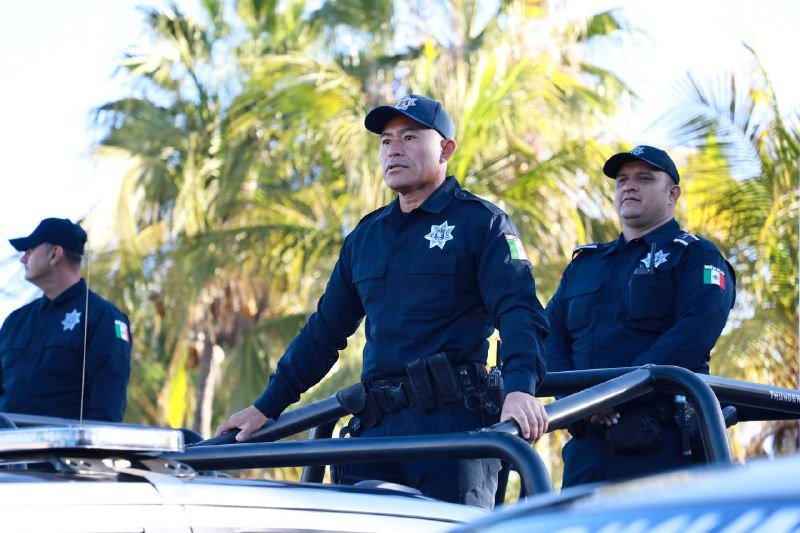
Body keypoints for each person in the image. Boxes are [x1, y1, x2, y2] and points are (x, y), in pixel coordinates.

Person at [217, 94, 550, 508]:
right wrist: (266, 407)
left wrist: (520, 389)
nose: (394, 149)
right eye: (386, 141)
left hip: (452, 430)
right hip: (375, 430)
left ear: (446, 149)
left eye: (409, 137)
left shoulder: (481, 223)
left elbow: (519, 311)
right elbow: (324, 333)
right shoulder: (367, 236)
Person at [545, 145, 736, 487]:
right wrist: (578, 401)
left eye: (644, 178)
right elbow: (549, 334)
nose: (629, 186)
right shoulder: (586, 264)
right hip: (587, 444)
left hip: (664, 442)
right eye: (622, 180)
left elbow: (696, 330)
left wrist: (615, 393)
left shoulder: (695, 256)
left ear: (673, 193)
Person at [0, 218, 132, 422]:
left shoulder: (102, 317)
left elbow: (107, 404)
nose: (23, 259)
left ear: (55, 254)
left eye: (30, 251)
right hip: (7, 441)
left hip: (60, 443)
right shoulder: (15, 322)